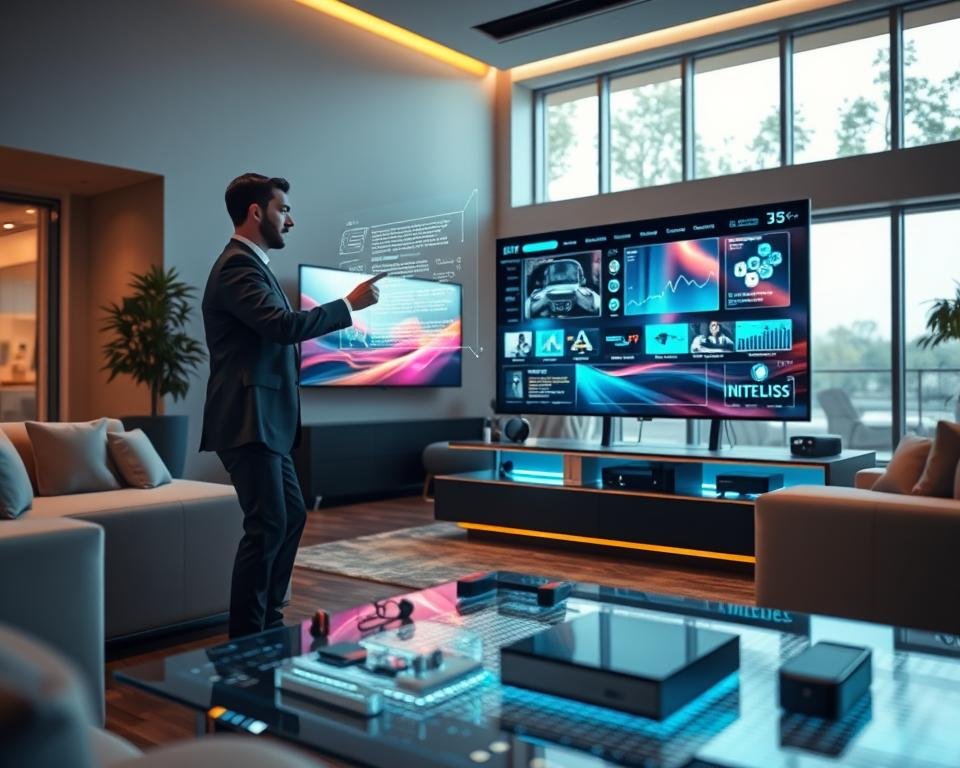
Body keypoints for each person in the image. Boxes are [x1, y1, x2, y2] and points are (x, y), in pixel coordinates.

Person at [200, 173, 384, 638]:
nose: (291, 219)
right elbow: (282, 327)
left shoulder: (251, 264)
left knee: (290, 517)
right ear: (256, 212)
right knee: (267, 526)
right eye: (283, 209)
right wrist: (348, 305)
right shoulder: (237, 266)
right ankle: (248, 640)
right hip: (247, 420)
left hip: (265, 422)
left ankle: (269, 624)